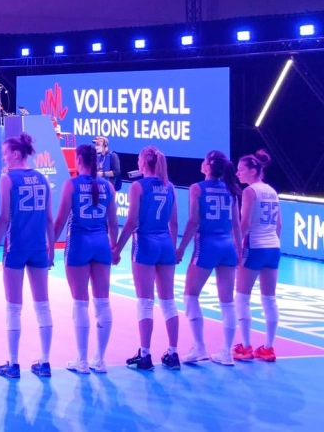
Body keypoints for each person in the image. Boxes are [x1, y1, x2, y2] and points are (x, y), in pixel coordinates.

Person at [0, 134, 55, 379]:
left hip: (16, 247)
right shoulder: (42, 178)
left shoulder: (7, 179)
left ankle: (13, 364)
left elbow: (4, 218)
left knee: (14, 308)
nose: (3, 158)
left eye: (5, 153)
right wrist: (51, 248)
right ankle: (45, 362)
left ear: (16, 154)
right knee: (43, 305)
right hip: (38, 248)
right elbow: (49, 219)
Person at [53, 144, 119, 374]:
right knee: (103, 302)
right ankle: (99, 360)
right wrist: (115, 248)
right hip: (101, 244)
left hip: (79, 244)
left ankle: (81, 360)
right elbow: (113, 223)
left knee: (80, 302)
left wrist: (49, 248)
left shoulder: (71, 185)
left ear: (79, 160)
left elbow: (60, 221)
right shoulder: (108, 187)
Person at [112, 146, 180, 371]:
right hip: (165, 244)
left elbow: (132, 222)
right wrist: (173, 248)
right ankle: (173, 353)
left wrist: (118, 249)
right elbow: (174, 223)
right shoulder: (169, 186)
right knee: (168, 301)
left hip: (145, 243)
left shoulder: (138, 186)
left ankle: (145, 354)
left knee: (145, 302)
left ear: (143, 163)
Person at [176, 150, 242, 366]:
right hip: (228, 246)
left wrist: (181, 248)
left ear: (209, 166)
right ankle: (227, 352)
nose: (202, 163)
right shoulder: (231, 189)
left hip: (207, 245)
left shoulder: (197, 188)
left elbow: (193, 221)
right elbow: (236, 224)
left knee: (190, 295)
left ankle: (199, 346)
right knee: (227, 302)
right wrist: (240, 250)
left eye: (204, 160)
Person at [233, 150, 281, 363]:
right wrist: (273, 243)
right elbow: (279, 225)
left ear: (253, 171)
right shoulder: (272, 191)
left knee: (242, 297)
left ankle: (245, 346)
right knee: (269, 299)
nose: (237, 173)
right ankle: (268, 348)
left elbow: (244, 224)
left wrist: (236, 248)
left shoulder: (250, 191)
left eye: (241, 169)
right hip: (273, 247)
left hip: (255, 247)